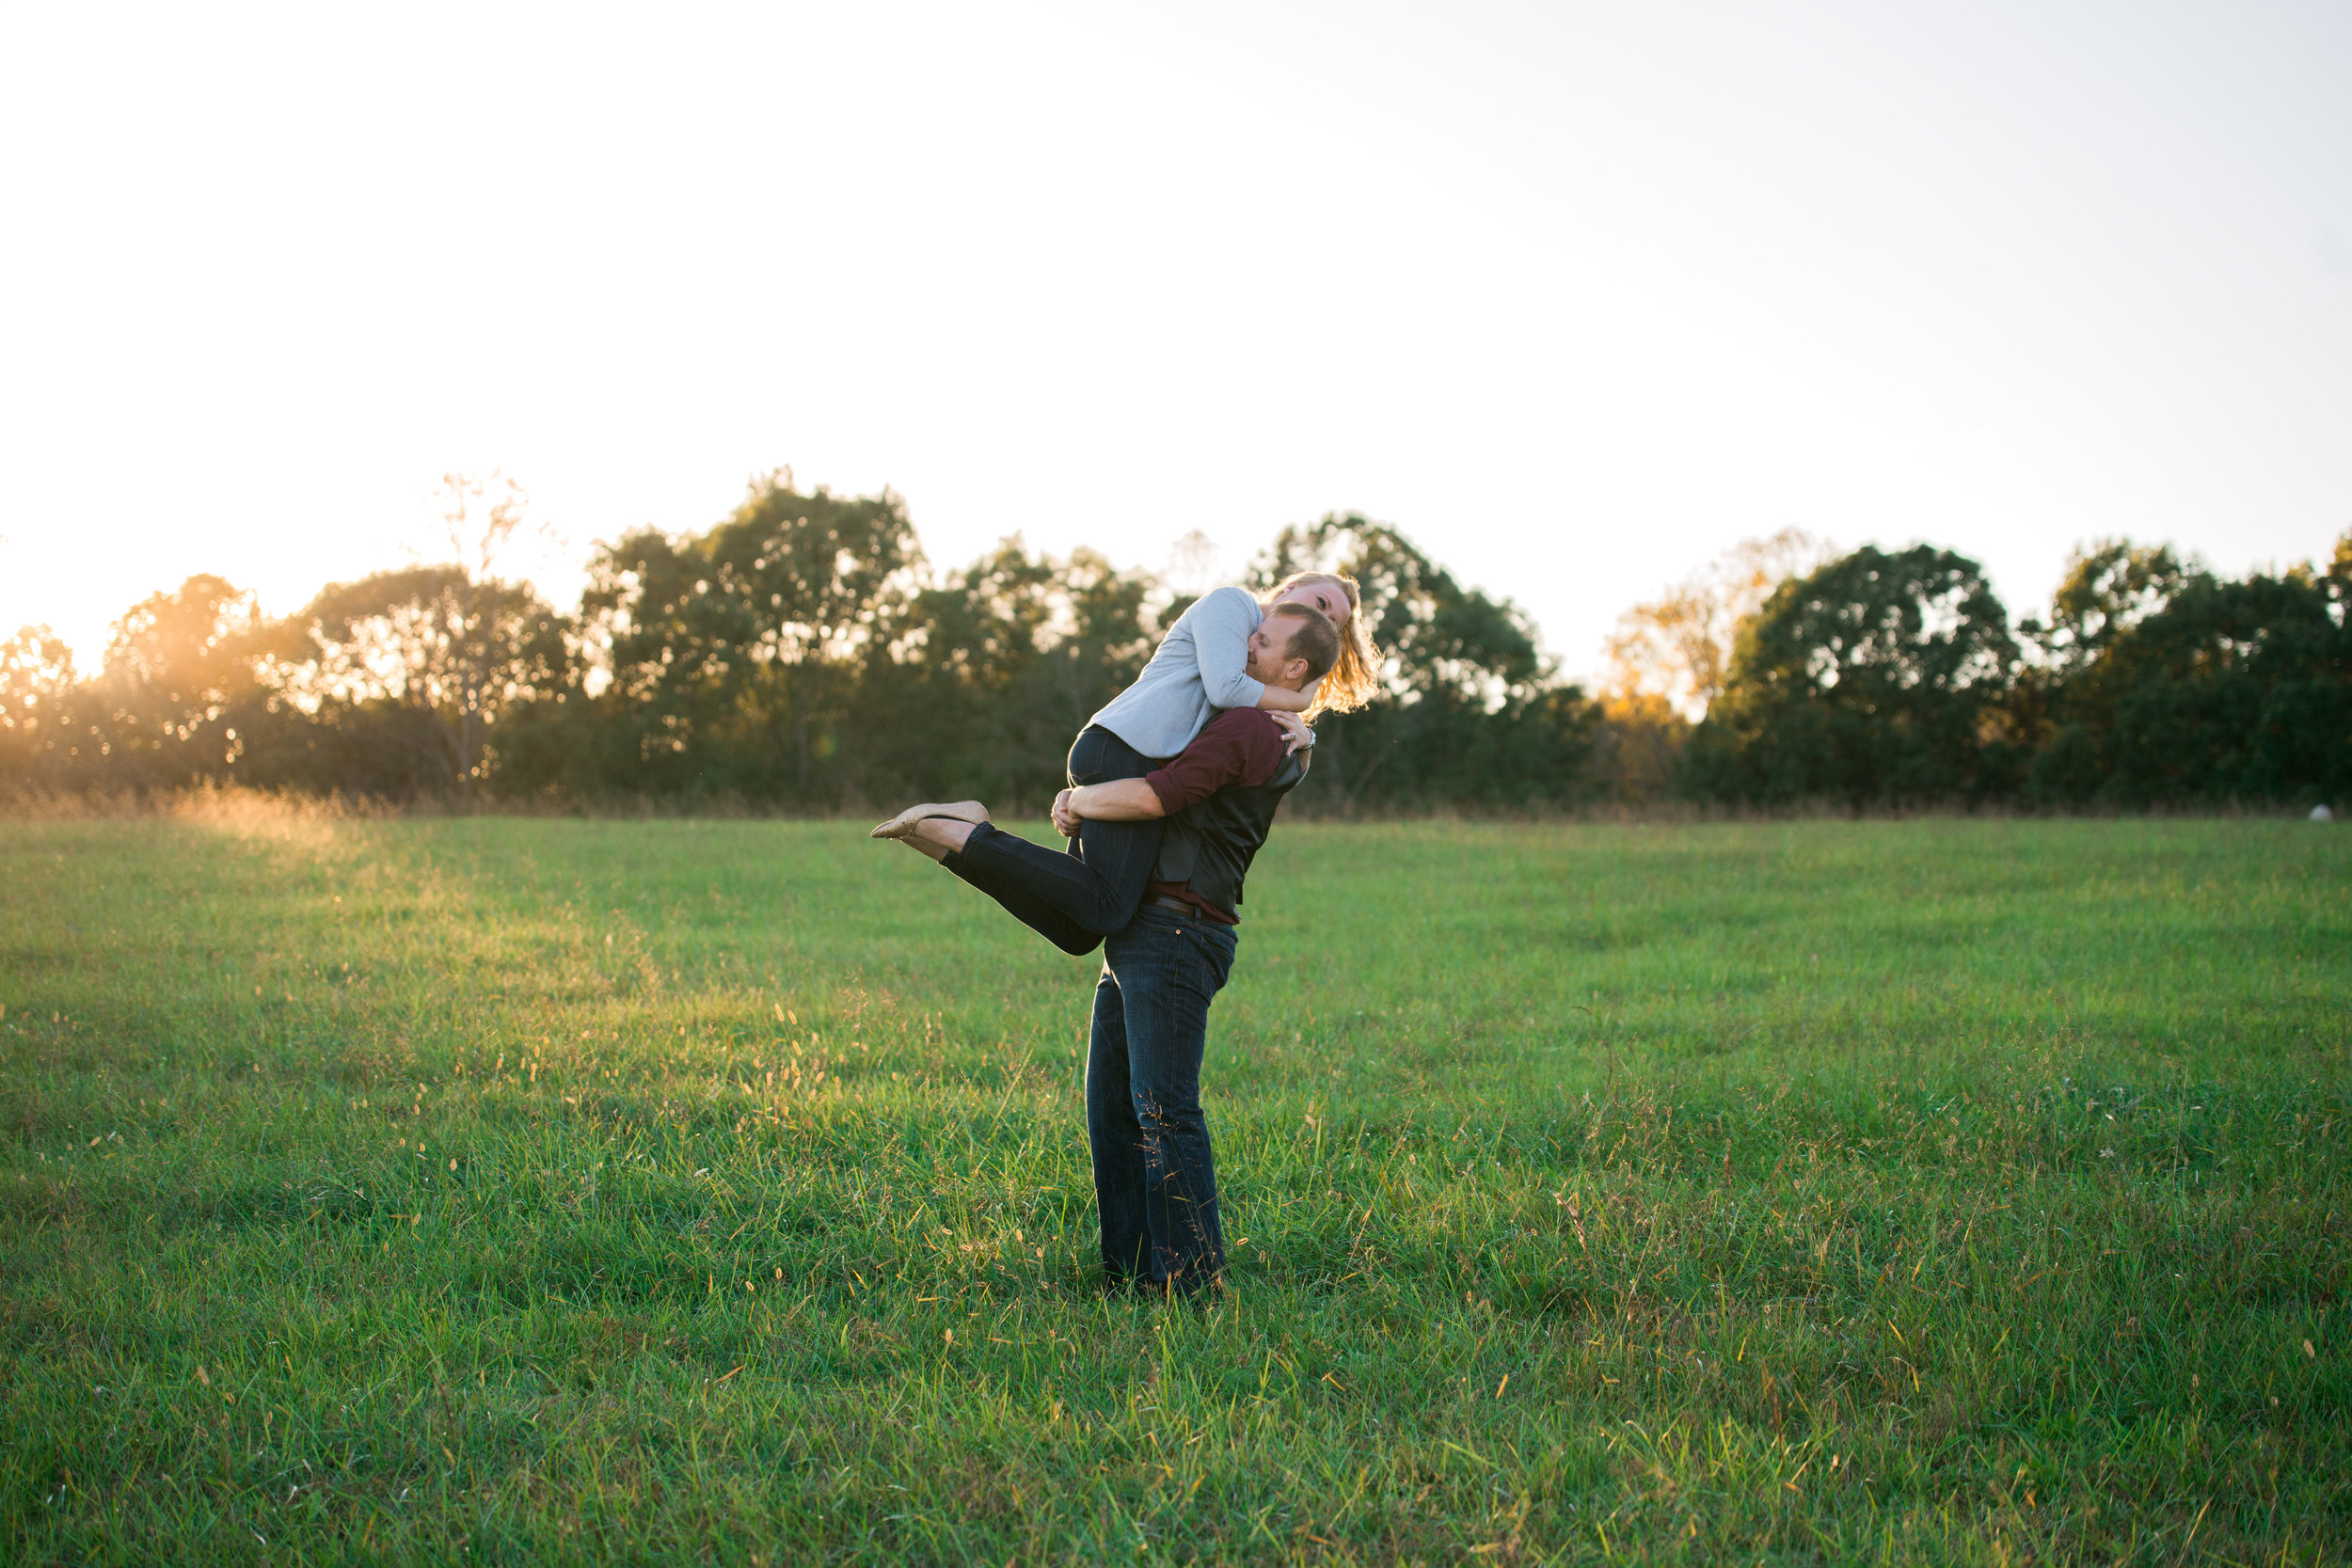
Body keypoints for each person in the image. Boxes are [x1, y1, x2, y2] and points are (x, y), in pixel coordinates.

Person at [882, 602, 1342, 1296]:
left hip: (1178, 932)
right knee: (1114, 1108)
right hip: (1144, 932)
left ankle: (1190, 1285)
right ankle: (1127, 1274)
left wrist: (1078, 798)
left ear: (1295, 666)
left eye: (1265, 640)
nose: (1247, 644)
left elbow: (1163, 795)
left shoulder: (1251, 724)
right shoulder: (1258, 725)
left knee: (1164, 1108)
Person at [870, 571, 1379, 953]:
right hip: (1124, 748)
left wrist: (1302, 727)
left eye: (1329, 621)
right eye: (1317, 601)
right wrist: (1300, 708)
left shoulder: (1265, 672)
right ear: (1288, 588)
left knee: (1079, 929)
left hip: (1132, 755)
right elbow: (1226, 691)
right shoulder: (1234, 607)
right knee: (1109, 905)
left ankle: (947, 844)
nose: (1319, 616)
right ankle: (972, 831)